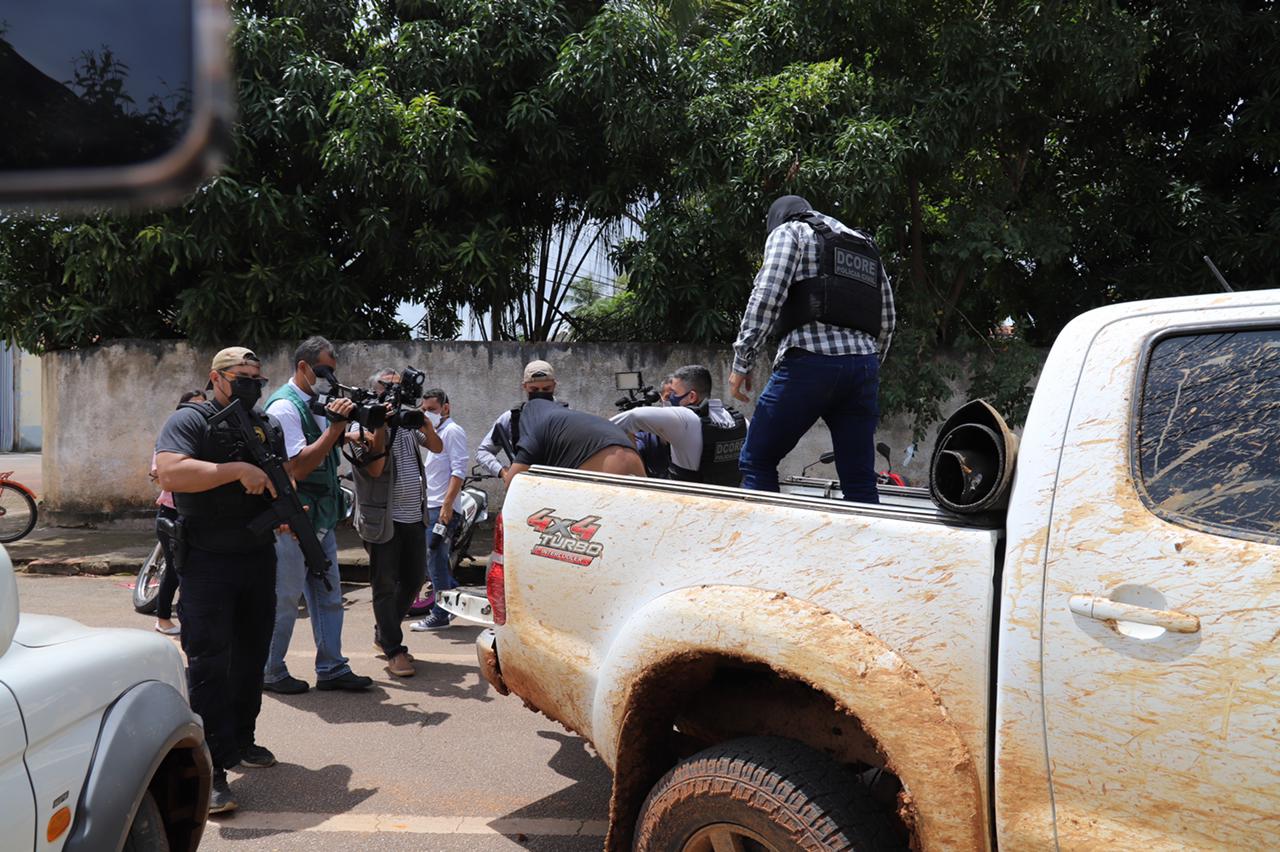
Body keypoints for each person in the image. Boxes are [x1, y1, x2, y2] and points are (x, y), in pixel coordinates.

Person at [154, 347, 283, 814]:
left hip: (256, 556)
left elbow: (279, 477)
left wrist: (284, 510)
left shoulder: (267, 423)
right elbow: (169, 471)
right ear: (216, 377)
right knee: (210, 661)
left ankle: (242, 740)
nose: (251, 383)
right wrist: (235, 470)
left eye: (257, 377)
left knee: (251, 656)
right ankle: (211, 771)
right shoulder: (192, 420)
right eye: (241, 376)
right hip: (207, 560)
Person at [729, 195, 895, 503]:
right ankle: (866, 551)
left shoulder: (791, 231)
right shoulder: (865, 245)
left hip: (809, 364)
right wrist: (867, 365)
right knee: (859, 480)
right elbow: (887, 319)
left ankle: (761, 548)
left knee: (757, 460)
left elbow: (767, 293)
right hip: (863, 369)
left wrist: (742, 361)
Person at [261, 337, 372, 695]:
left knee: (328, 593)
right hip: (294, 519)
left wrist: (351, 434)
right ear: (304, 367)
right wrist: (337, 429)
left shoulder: (315, 404)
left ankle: (332, 667)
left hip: (320, 516)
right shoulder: (284, 408)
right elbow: (299, 466)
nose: (328, 379)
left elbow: (322, 443)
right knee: (286, 597)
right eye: (323, 371)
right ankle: (270, 670)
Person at [349, 368, 443, 678]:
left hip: (414, 516)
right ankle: (393, 648)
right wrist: (381, 425)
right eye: (388, 389)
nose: (394, 394)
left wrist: (425, 422)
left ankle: (384, 631)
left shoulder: (406, 422)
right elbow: (373, 468)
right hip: (383, 519)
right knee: (385, 584)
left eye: (397, 389)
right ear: (375, 391)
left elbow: (437, 446)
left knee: (415, 579)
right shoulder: (362, 422)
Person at [611, 365, 746, 487]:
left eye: (674, 394)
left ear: (692, 397)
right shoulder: (741, 420)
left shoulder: (685, 419)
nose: (669, 400)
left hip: (687, 503)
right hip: (729, 503)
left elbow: (632, 417)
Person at [410, 388, 468, 631]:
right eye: (424, 410)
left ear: (446, 407)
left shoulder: (453, 432)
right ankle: (451, 599)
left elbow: (459, 471)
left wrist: (446, 507)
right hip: (430, 506)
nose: (428, 414)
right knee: (436, 560)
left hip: (441, 509)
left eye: (432, 409)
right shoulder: (436, 434)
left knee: (435, 560)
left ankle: (440, 614)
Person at [149, 389, 206, 636]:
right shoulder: (171, 441)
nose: (199, 412)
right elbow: (159, 474)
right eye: (193, 407)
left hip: (198, 514)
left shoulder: (207, 438)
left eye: (203, 407)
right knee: (175, 568)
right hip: (172, 513)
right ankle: (163, 619)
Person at [502, 398, 645, 483]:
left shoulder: (532, 423)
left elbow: (513, 484)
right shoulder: (564, 418)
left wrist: (505, 474)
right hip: (630, 453)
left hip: (604, 457)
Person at [476, 360, 563, 479]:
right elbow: (484, 452)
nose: (540, 393)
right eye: (534, 389)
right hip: (524, 486)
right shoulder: (512, 418)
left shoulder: (567, 416)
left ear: (554, 385)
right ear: (525, 387)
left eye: (546, 389)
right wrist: (503, 472)